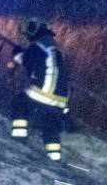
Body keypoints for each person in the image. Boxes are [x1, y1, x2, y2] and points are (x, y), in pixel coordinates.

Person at [8, 18, 70, 161]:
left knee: (20, 103)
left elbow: (27, 61)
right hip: (61, 98)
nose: (27, 33)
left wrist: (17, 54)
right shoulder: (54, 48)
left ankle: (19, 140)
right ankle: (54, 158)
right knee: (50, 125)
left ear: (36, 29)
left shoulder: (39, 45)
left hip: (45, 91)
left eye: (29, 28)